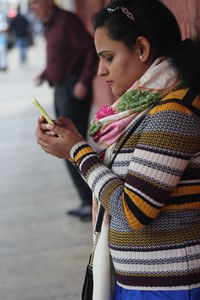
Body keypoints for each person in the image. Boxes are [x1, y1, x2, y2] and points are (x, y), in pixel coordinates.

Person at [35, 0, 200, 299]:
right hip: (141, 283)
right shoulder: (144, 109)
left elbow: (132, 211)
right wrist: (74, 148)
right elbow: (123, 182)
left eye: (108, 57)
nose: (101, 70)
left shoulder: (173, 113)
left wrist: (78, 151)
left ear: (142, 48)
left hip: (170, 288)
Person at [29, 0, 98, 220]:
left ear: (48, 2)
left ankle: (91, 200)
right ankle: (85, 199)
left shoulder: (67, 21)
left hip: (73, 89)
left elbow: (90, 50)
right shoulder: (49, 25)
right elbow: (61, 58)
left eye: (35, 4)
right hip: (59, 89)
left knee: (71, 143)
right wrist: (45, 74)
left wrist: (84, 82)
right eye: (30, 6)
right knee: (62, 144)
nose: (33, 9)